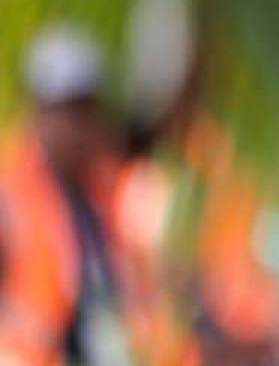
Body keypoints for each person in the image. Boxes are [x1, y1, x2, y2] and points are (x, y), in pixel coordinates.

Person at [0, 25, 191, 366]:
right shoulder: (10, 188)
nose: (78, 126)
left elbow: (154, 134)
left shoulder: (101, 187)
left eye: (87, 111)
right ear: (39, 110)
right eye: (68, 110)